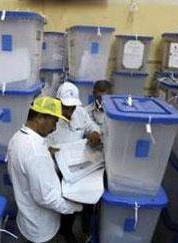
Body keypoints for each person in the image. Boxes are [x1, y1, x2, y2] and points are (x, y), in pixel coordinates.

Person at [7, 96, 83, 243]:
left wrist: (48, 152)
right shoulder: (36, 153)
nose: (55, 128)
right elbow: (46, 197)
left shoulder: (17, 138)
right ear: (40, 118)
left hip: (26, 219)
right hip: (42, 229)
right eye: (54, 121)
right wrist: (77, 207)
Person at [47, 82, 102, 242]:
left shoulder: (80, 113)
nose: (69, 111)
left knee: (85, 198)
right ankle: (64, 230)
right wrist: (48, 152)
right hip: (57, 168)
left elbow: (90, 125)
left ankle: (78, 229)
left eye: (72, 107)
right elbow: (40, 144)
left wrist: (93, 132)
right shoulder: (50, 119)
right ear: (57, 102)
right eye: (66, 107)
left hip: (78, 164)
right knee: (63, 203)